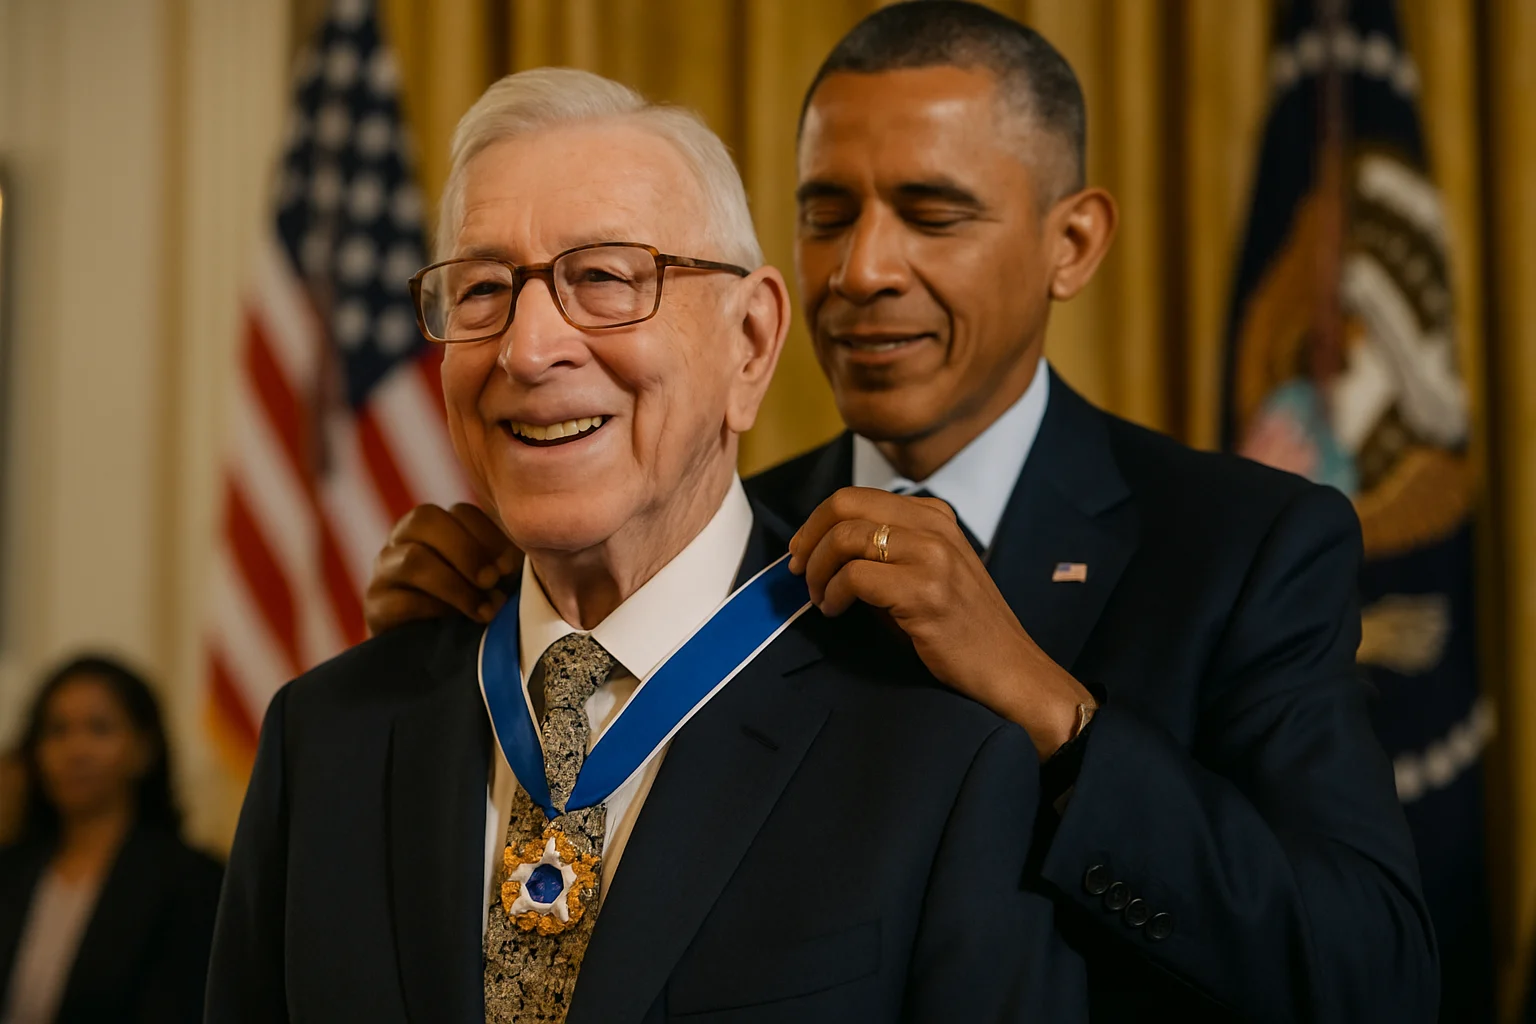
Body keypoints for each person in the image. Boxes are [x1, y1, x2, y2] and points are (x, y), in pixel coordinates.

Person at [361, 4, 1438, 1022]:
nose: (864, 269)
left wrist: (1053, 712)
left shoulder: (1245, 546)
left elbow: (1373, 974)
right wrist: (491, 635)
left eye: (932, 213)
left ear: (1073, 244)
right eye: (827, 213)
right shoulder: (712, 546)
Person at [205, 67, 1086, 1024]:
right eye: (483, 289)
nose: (528, 348)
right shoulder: (324, 737)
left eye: (606, 278)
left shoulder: (939, 751)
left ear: (749, 342)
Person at [0, 655, 222, 1024]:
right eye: (57, 730)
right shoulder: (10, 870)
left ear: (143, 750)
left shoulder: (190, 882)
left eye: (99, 729)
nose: (75, 751)